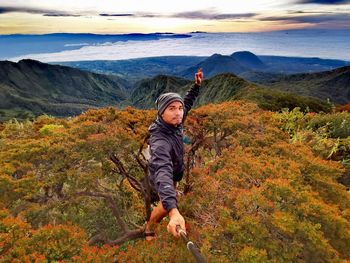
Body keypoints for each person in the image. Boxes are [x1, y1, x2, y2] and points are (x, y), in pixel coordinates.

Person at [145, 69, 203, 240]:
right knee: (166, 203)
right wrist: (174, 211)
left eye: (179, 109)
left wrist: (197, 86)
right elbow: (162, 170)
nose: (178, 113)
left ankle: (167, 204)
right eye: (172, 109)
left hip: (174, 174)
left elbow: (187, 102)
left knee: (170, 196)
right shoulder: (160, 140)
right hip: (163, 176)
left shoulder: (175, 124)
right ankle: (149, 227)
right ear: (161, 112)